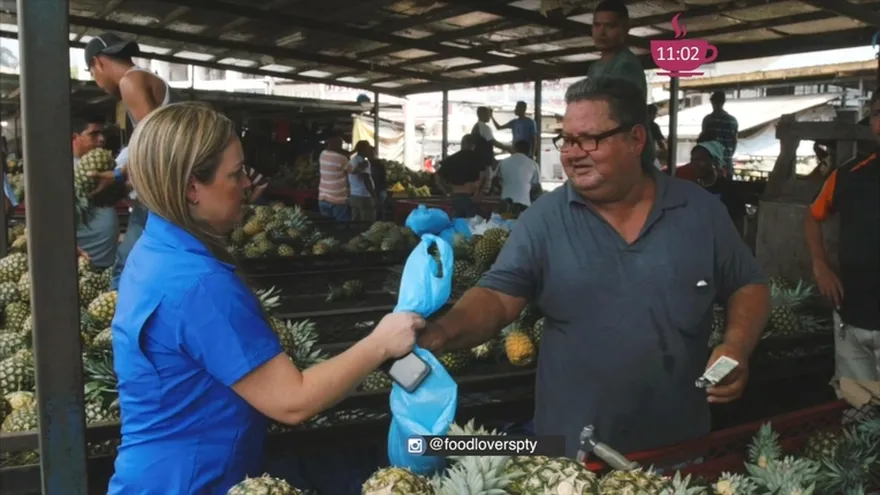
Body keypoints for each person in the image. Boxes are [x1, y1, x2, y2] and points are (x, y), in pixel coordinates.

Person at [418, 77, 770, 457]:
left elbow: (748, 284)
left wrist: (737, 345)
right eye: (566, 140)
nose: (572, 153)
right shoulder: (546, 219)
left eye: (588, 139)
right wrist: (444, 331)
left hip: (678, 448)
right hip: (571, 457)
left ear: (636, 140)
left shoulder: (700, 212)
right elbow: (498, 297)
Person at [107, 102, 425, 494]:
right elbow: (293, 401)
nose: (246, 183)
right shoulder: (199, 284)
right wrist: (380, 343)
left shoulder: (154, 247)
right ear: (192, 188)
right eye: (236, 173)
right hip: (190, 482)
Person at [803, 87, 879, 395]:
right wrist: (820, 265)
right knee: (859, 417)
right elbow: (812, 217)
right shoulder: (849, 175)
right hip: (852, 320)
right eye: (878, 113)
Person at [587, 0, 656, 172]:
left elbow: (620, 116)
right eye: (597, 25)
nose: (601, 32)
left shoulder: (626, 65)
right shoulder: (595, 67)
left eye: (610, 26)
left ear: (626, 28)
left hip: (625, 153)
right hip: (604, 150)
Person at [71, 114, 120, 269]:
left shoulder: (106, 165)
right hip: (80, 261)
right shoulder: (61, 172)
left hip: (107, 259)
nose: (101, 139)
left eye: (102, 133)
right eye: (93, 134)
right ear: (74, 138)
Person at [675, 140, 747, 234]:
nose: (694, 164)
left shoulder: (730, 191)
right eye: (693, 160)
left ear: (715, 162)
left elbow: (740, 223)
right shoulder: (692, 190)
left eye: (700, 160)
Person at [435, 135, 486, 218]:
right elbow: (483, 176)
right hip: (471, 198)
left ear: (462, 144)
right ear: (473, 145)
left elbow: (437, 177)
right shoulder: (478, 159)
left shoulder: (451, 159)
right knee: (472, 227)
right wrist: (479, 192)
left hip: (455, 197)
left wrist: (446, 191)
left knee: (456, 226)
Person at [701, 91, 739, 177]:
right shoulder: (733, 121)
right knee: (727, 189)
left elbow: (703, 142)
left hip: (712, 165)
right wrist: (728, 155)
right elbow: (735, 141)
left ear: (712, 102)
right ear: (724, 102)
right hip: (727, 163)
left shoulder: (708, 120)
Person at [496, 140, 541, 208]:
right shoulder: (534, 164)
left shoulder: (503, 162)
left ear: (515, 149)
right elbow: (536, 187)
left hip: (506, 204)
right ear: (529, 151)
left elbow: (495, 179)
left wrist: (503, 186)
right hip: (524, 204)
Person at [318, 130, 351, 221]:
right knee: (340, 227)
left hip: (323, 198)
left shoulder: (322, 154)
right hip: (337, 200)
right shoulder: (342, 159)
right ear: (338, 145)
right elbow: (352, 170)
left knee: (327, 226)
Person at [348, 140, 377, 222]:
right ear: (364, 149)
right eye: (368, 147)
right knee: (367, 222)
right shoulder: (364, 162)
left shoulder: (352, 160)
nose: (370, 149)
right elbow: (366, 180)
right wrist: (374, 196)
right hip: (364, 196)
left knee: (355, 222)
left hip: (354, 194)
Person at [648, 104, 668, 168]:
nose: (655, 116)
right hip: (649, 155)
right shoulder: (653, 126)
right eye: (655, 114)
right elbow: (661, 143)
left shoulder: (637, 124)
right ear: (652, 114)